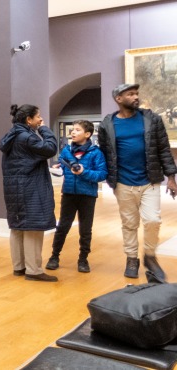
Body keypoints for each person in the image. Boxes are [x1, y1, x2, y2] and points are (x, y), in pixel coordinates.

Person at [97, 83, 177, 280]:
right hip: (123, 183)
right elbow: (104, 153)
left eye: (136, 94)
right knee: (129, 223)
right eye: (130, 94)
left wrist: (171, 177)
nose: (135, 97)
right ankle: (132, 258)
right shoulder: (107, 124)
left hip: (150, 180)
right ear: (118, 99)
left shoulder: (151, 119)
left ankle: (150, 256)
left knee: (152, 220)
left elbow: (163, 149)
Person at [0, 104, 59, 282]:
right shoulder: (27, 137)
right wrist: (44, 129)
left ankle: (19, 267)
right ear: (28, 119)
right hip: (30, 186)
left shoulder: (11, 136)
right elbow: (50, 148)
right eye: (38, 116)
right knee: (33, 226)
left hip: (13, 187)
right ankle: (33, 270)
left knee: (18, 226)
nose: (40, 119)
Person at [45, 120, 107, 273]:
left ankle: (83, 260)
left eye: (78, 130)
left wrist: (83, 172)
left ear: (87, 134)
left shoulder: (96, 153)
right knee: (62, 227)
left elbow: (102, 174)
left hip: (87, 196)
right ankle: (54, 256)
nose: (73, 132)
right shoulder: (66, 150)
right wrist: (59, 168)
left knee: (85, 229)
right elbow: (64, 165)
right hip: (69, 194)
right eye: (73, 129)